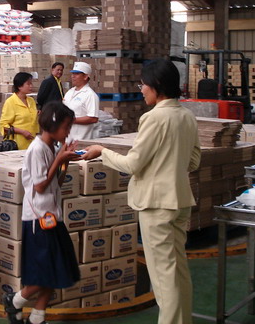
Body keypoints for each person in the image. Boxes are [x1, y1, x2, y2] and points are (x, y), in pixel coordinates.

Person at [82, 59, 201, 324]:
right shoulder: (186, 116)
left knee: (163, 278)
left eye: (143, 85)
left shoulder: (154, 118)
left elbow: (132, 164)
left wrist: (102, 151)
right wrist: (169, 163)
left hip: (156, 205)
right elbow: (193, 161)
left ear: (156, 85)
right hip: (180, 200)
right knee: (178, 270)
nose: (142, 90)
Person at [2, 101, 80, 324]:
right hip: (38, 219)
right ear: (53, 125)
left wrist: (64, 161)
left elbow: (56, 182)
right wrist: (59, 159)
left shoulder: (51, 148)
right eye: (66, 127)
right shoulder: (37, 149)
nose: (68, 132)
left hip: (53, 215)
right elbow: (40, 186)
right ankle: (15, 300)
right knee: (45, 270)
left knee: (56, 269)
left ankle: (37, 317)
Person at [0, 72, 39, 151]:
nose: (31, 86)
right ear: (19, 86)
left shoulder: (31, 101)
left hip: (32, 143)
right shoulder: (10, 102)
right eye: (28, 84)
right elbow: (4, 125)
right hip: (18, 144)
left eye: (31, 83)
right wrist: (22, 132)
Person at [63, 62, 99, 142]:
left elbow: (93, 118)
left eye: (77, 74)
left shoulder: (90, 95)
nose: (73, 76)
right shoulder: (69, 92)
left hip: (81, 140)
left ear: (85, 77)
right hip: (66, 139)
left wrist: (72, 120)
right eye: (73, 74)